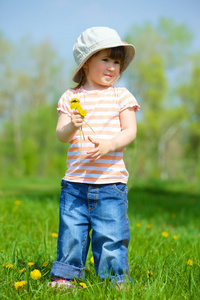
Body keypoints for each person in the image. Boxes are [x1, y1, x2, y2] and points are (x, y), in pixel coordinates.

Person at [49, 26, 140, 289]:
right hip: (75, 183)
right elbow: (61, 135)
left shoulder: (121, 96)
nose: (113, 67)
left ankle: (114, 280)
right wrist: (73, 125)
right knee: (71, 234)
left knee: (111, 235)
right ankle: (66, 276)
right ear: (86, 63)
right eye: (105, 59)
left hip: (110, 184)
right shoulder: (71, 97)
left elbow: (130, 131)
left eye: (116, 61)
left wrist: (111, 143)